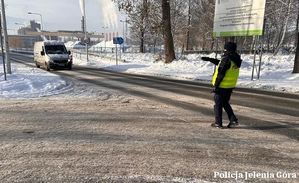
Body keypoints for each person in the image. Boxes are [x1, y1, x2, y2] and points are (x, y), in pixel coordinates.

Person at [201, 42, 242, 128]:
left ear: (227, 49)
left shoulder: (227, 59)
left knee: (218, 105)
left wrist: (216, 86)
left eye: (225, 49)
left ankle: (218, 122)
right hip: (229, 86)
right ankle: (233, 120)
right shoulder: (235, 59)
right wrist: (210, 59)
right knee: (225, 103)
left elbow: (221, 73)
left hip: (222, 86)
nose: (224, 51)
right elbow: (222, 64)